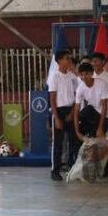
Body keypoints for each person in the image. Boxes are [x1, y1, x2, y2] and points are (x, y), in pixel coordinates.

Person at [48, 49, 79, 181]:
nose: (69, 61)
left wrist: (72, 113)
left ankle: (73, 168)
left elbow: (78, 95)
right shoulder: (55, 76)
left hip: (71, 110)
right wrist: (57, 118)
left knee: (74, 141)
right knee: (58, 143)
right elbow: (52, 98)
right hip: (59, 111)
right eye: (67, 58)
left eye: (70, 58)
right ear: (59, 60)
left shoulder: (73, 76)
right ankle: (55, 170)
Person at [91, 52, 108, 177]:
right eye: (93, 61)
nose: (94, 63)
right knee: (93, 141)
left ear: (103, 62)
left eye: (97, 61)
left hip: (106, 114)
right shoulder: (90, 76)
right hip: (93, 113)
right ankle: (94, 167)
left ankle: (107, 169)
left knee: (107, 141)